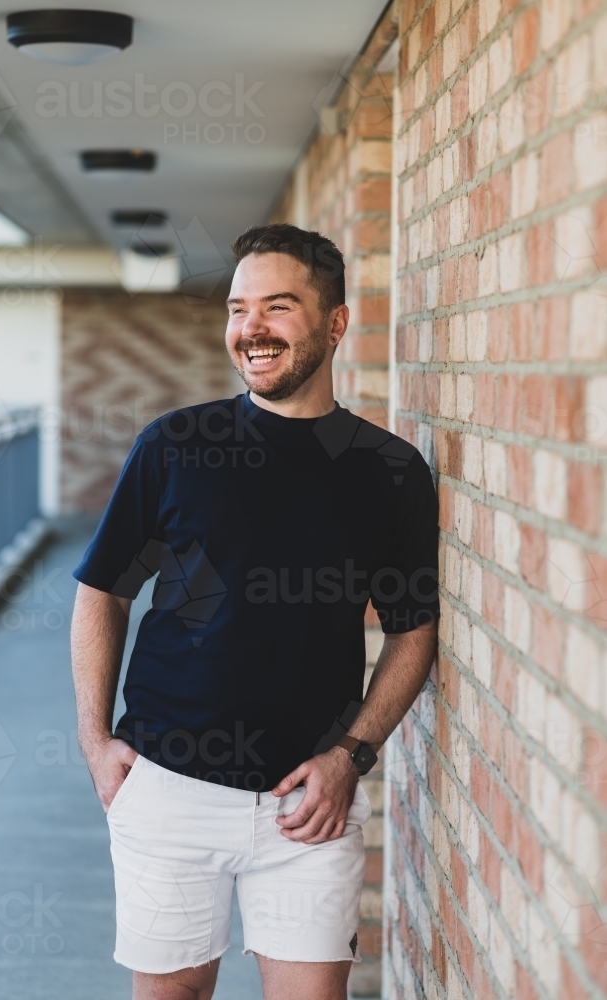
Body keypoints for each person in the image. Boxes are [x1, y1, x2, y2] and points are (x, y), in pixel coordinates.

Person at [70, 223, 439, 1000]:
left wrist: (351, 757)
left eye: (277, 306)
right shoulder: (176, 445)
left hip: (308, 805)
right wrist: (95, 740)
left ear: (335, 323)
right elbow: (103, 589)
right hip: (167, 788)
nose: (251, 330)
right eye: (238, 309)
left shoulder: (390, 473)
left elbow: (413, 633)